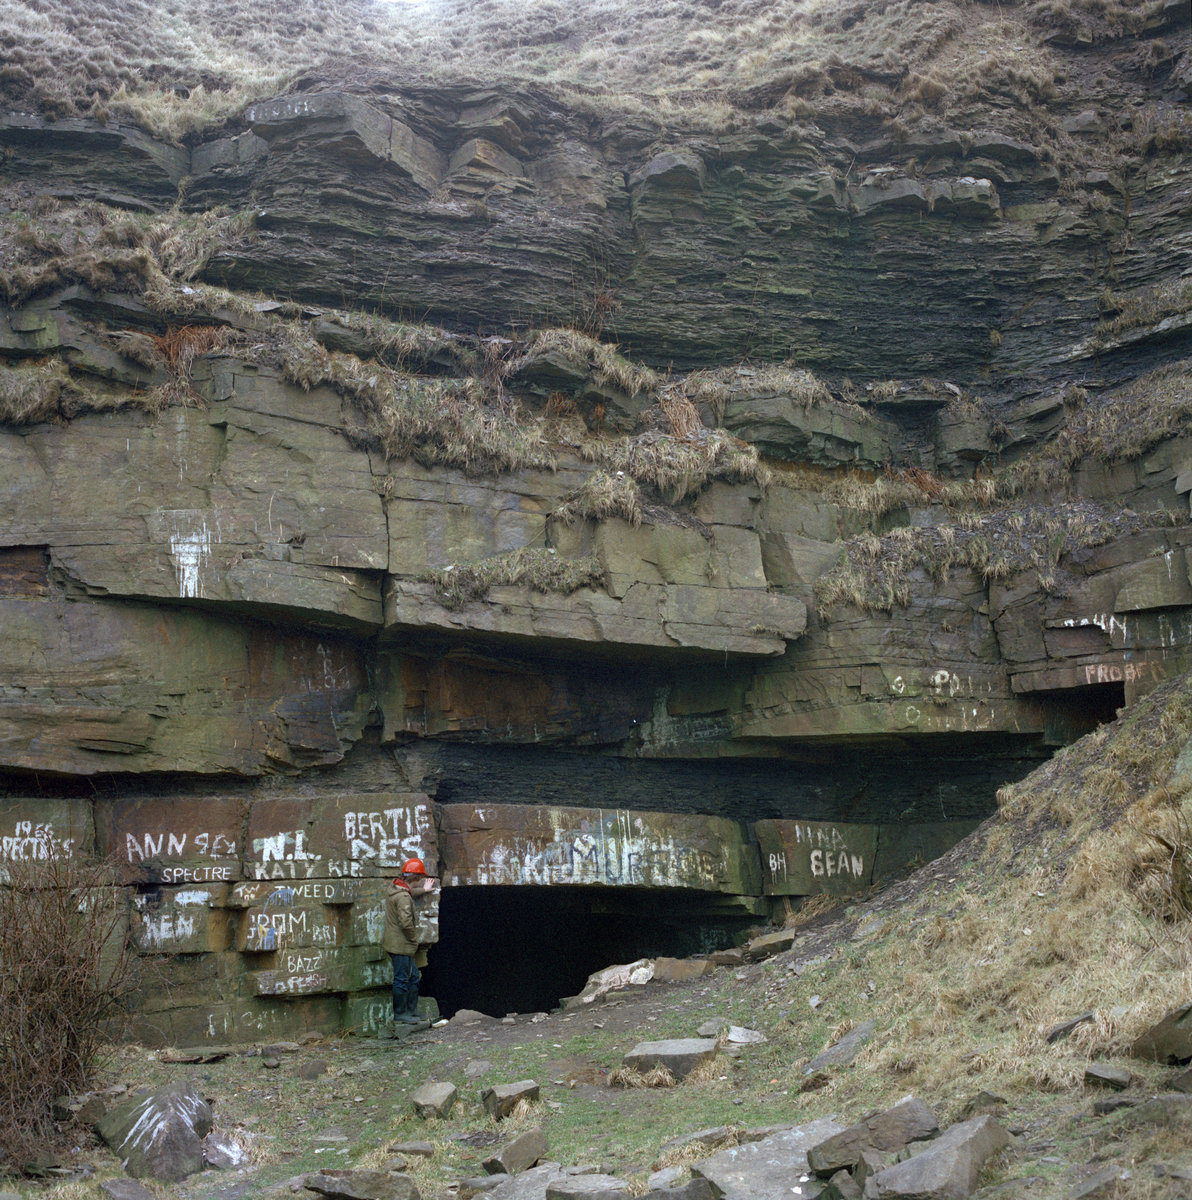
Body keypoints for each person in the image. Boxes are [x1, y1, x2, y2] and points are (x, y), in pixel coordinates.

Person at [384, 857, 430, 1026]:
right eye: (420, 879)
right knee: (402, 979)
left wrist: (423, 890)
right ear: (415, 878)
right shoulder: (403, 897)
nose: (421, 882)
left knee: (412, 978)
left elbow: (409, 892)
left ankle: (410, 1011)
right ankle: (401, 1014)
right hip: (400, 945)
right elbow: (405, 922)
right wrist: (413, 939)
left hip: (396, 943)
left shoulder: (396, 888)